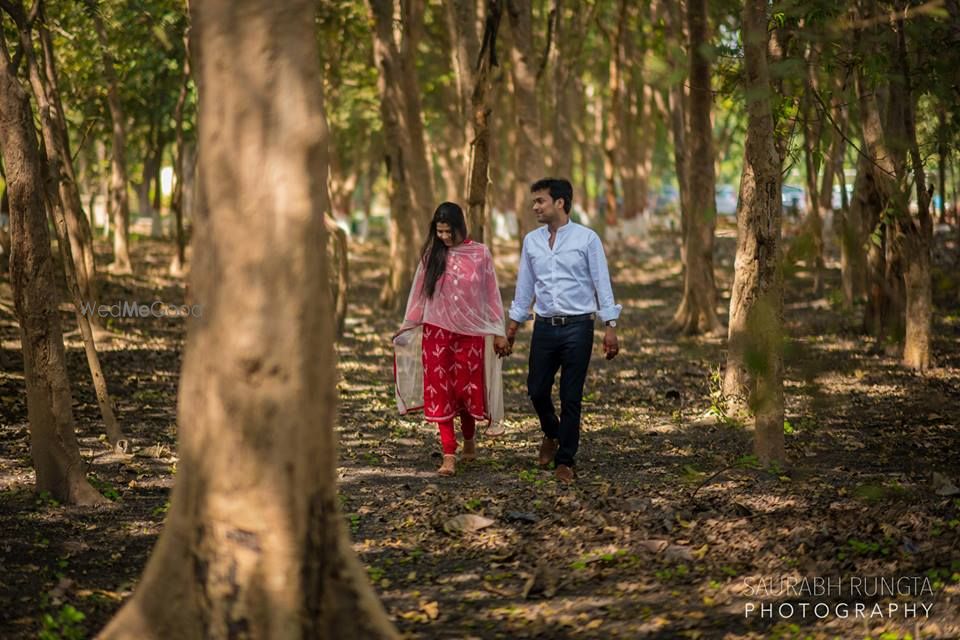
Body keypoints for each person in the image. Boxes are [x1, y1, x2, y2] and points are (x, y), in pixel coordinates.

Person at [505, 178, 621, 483]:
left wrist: (610, 326)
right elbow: (525, 286)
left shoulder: (587, 239)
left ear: (560, 202)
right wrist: (513, 326)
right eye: (534, 202)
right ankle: (551, 433)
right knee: (536, 388)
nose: (535, 207)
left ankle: (565, 460)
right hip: (544, 327)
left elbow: (601, 283)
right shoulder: (532, 241)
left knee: (572, 395)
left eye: (540, 201)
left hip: (578, 327)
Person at [394, 202, 510, 476]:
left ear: (460, 227)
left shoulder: (480, 254)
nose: (444, 237)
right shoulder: (431, 255)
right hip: (437, 334)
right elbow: (420, 296)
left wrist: (498, 329)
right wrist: (407, 327)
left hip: (470, 334)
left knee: (465, 389)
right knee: (440, 390)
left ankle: (469, 439)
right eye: (440, 232)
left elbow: (491, 295)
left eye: (448, 232)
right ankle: (449, 453)